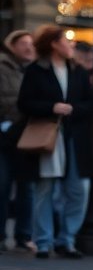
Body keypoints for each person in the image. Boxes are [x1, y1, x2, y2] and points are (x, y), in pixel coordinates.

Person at [17, 26, 93, 259]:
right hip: (46, 135)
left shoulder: (78, 71)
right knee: (45, 187)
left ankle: (67, 240)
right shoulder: (36, 70)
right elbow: (25, 103)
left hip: (75, 137)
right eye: (66, 41)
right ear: (54, 44)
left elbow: (91, 104)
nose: (70, 45)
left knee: (79, 188)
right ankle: (43, 241)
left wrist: (74, 109)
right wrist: (51, 107)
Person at [1, 29, 36, 252]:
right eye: (23, 43)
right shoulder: (3, 67)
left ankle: (24, 236)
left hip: (28, 134)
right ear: (11, 45)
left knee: (27, 187)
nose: (28, 47)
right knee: (2, 185)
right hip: (5, 134)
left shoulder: (34, 69)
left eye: (31, 43)